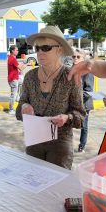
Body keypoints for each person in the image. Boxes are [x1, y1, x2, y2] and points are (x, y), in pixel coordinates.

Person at [16, 26, 85, 169]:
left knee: (57, 187)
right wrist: (23, 107)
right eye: (38, 48)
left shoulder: (71, 77)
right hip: (34, 141)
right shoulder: (30, 76)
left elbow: (80, 115)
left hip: (60, 145)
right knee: (33, 181)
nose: (40, 52)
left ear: (59, 49)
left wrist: (67, 118)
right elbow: (21, 105)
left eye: (46, 48)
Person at [72, 48, 94, 153]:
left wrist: (76, 98)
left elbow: (88, 91)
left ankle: (82, 146)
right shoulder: (71, 69)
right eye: (73, 56)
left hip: (84, 104)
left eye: (78, 57)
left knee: (83, 126)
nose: (75, 59)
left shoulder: (88, 72)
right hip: (71, 104)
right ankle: (66, 145)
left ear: (83, 59)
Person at [7, 45, 27, 115]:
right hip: (13, 79)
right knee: (13, 95)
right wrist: (28, 64)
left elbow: (17, 67)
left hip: (15, 78)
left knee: (23, 82)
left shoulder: (11, 58)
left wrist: (22, 64)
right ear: (12, 51)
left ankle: (18, 97)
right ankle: (11, 109)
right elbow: (21, 68)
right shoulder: (12, 59)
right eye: (16, 50)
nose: (18, 51)